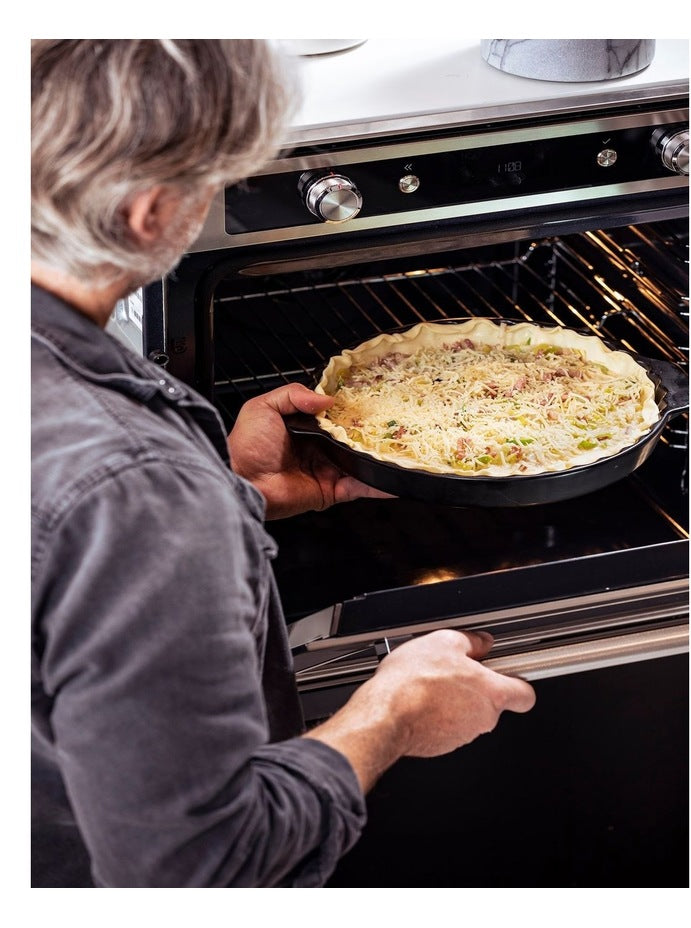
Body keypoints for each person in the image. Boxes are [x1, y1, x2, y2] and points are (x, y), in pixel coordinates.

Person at [31, 39, 536, 888]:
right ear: (150, 211)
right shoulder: (136, 490)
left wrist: (229, 496)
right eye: (220, 178)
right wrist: (393, 711)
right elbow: (201, 869)